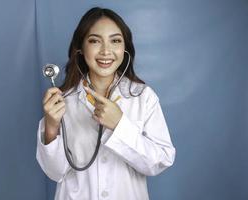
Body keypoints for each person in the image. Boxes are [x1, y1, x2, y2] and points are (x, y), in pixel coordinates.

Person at [36, 7, 175, 200]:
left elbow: (160, 161)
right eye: (94, 41)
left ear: (125, 48)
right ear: (81, 48)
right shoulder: (63, 101)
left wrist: (120, 125)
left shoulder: (143, 97)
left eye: (115, 40)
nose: (106, 51)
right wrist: (51, 127)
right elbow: (55, 172)